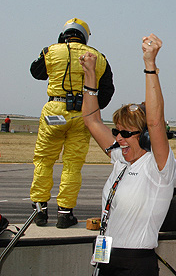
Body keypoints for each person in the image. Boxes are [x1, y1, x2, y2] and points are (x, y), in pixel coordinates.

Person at [82, 33, 176, 275]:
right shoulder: (120, 158)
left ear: (145, 136)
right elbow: (92, 120)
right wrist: (90, 75)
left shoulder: (158, 168)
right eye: (116, 131)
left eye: (126, 132)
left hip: (135, 264)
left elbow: (156, 122)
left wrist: (150, 66)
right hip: (106, 258)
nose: (118, 138)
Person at [29, 18, 114, 228]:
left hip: (54, 112)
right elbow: (107, 90)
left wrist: (51, 54)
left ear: (64, 33)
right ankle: (64, 214)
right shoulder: (98, 57)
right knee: (73, 165)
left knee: (43, 161)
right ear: (84, 35)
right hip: (81, 114)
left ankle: (39, 212)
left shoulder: (51, 50)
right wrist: (93, 107)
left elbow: (36, 72)